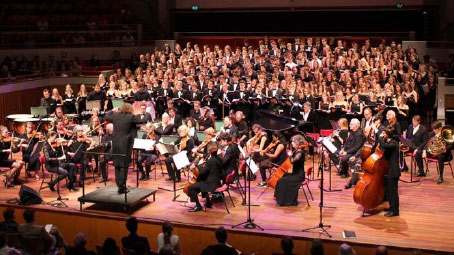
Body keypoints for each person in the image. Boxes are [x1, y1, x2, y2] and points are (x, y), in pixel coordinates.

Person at [104, 103, 146, 194]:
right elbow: (142, 120)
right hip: (125, 144)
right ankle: (122, 187)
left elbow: (106, 116)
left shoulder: (115, 115)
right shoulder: (131, 117)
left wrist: (112, 110)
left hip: (115, 143)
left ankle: (119, 185)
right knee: (124, 165)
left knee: (117, 164)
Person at [187, 142, 222, 212]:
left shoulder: (211, 160)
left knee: (191, 187)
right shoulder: (218, 158)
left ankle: (198, 206)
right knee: (202, 181)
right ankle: (208, 202)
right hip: (217, 181)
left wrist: (197, 178)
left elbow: (202, 172)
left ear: (209, 151)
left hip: (211, 185)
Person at [275, 134, 306, 206]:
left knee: (281, 181)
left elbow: (292, 161)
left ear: (297, 143)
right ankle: (282, 199)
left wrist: (289, 155)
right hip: (295, 173)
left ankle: (284, 202)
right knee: (282, 177)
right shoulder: (297, 150)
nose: (292, 144)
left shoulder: (300, 152)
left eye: (293, 142)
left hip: (299, 176)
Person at [377, 127, 400, 217]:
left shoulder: (394, 143)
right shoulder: (389, 142)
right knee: (389, 191)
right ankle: (391, 207)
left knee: (393, 192)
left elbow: (386, 146)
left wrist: (379, 137)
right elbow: (383, 147)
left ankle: (395, 211)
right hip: (388, 170)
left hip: (393, 171)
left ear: (387, 135)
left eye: (384, 134)